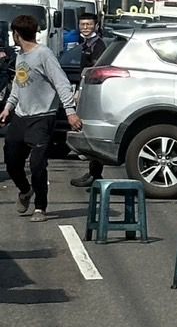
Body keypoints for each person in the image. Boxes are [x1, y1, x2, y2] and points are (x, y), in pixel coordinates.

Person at [0, 15, 82, 222]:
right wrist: (8, 107)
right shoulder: (21, 57)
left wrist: (70, 112)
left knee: (37, 164)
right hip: (21, 115)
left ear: (16, 34)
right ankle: (25, 190)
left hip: (42, 117)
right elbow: (18, 86)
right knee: (11, 161)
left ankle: (40, 207)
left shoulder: (44, 55)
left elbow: (61, 83)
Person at [70, 14, 109, 188]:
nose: (85, 27)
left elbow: (93, 69)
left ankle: (95, 173)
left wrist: (81, 91)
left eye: (88, 24)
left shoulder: (98, 45)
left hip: (93, 91)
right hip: (86, 88)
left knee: (90, 130)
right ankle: (94, 171)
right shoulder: (86, 44)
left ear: (96, 26)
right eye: (82, 24)